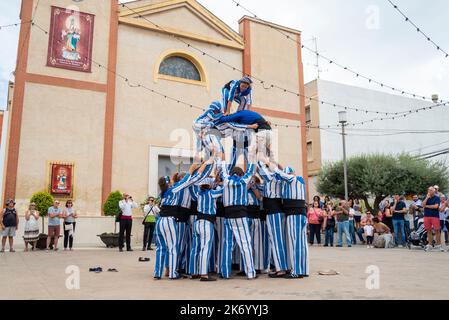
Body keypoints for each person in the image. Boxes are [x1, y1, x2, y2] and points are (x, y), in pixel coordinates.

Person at [154, 160, 211, 280]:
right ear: (169, 183)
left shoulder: (162, 193)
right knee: (173, 247)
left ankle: (157, 273)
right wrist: (192, 168)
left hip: (159, 221)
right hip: (170, 220)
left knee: (161, 248)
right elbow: (186, 181)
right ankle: (173, 273)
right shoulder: (173, 189)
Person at [220, 160, 257, 280]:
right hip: (241, 216)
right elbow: (251, 170)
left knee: (227, 244)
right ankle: (250, 273)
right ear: (240, 174)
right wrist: (252, 155)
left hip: (228, 216)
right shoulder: (243, 181)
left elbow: (223, 170)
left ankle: (225, 272)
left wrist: (222, 158)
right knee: (245, 244)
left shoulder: (226, 180)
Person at [270, 163, 308, 279]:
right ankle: (303, 269)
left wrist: (268, 164)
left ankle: (296, 271)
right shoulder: (300, 181)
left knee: (294, 242)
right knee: (301, 243)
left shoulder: (293, 179)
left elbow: (282, 175)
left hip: (294, 214)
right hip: (301, 214)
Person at [257, 160, 288, 278]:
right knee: (277, 240)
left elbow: (259, 166)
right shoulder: (278, 178)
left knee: (276, 240)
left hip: (273, 212)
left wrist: (261, 156)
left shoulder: (271, 178)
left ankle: (281, 269)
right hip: (276, 211)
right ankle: (281, 266)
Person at [189, 180, 223, 281]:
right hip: (207, 222)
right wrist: (220, 184)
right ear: (209, 185)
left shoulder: (198, 194)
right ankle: (204, 274)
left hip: (197, 222)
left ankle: (194, 272)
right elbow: (224, 191)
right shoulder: (211, 193)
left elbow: (192, 191)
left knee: (195, 248)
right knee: (205, 248)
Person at [422, 187, 444, 252]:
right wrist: (426, 198)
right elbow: (423, 205)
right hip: (426, 216)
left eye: (431, 190)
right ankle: (430, 245)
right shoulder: (426, 197)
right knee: (428, 231)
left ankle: (439, 246)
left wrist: (427, 206)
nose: (429, 191)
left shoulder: (437, 198)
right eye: (428, 190)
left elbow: (436, 206)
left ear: (434, 191)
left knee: (437, 231)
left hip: (435, 216)